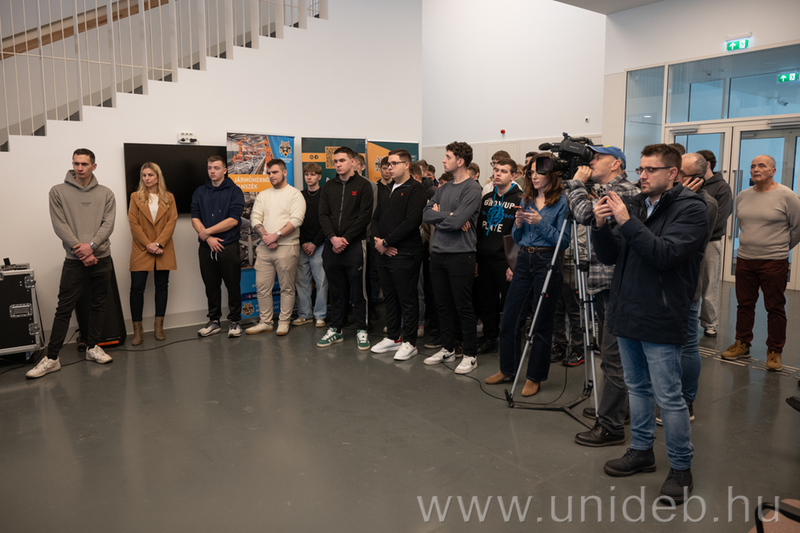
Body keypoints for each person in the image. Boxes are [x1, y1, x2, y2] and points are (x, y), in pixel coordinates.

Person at [592, 144, 707, 504]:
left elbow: (664, 254)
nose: (641, 176)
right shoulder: (641, 205)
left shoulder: (692, 209)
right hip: (628, 309)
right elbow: (610, 255)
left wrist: (626, 221)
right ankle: (642, 450)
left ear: (672, 173)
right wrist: (600, 225)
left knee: (669, 397)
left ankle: (681, 467)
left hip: (660, 312)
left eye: (650, 170)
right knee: (637, 388)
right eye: (640, 169)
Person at [562, 144, 637, 446]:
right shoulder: (606, 189)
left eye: (598, 157)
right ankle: (618, 410)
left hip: (616, 285)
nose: (591, 161)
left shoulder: (623, 191)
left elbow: (585, 215)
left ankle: (611, 427)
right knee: (613, 356)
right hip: (607, 283)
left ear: (616, 163)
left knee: (613, 359)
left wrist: (576, 184)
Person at [485, 153, 570, 396]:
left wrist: (540, 222)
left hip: (547, 261)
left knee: (541, 322)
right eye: (531, 172)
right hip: (523, 260)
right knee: (510, 317)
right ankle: (507, 369)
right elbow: (517, 238)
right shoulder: (526, 199)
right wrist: (519, 224)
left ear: (551, 174)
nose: (534, 176)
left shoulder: (562, 202)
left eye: (539, 172)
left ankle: (534, 377)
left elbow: (563, 241)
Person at [27, 148, 116, 378]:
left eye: (84, 164)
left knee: (98, 304)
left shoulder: (106, 193)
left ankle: (93, 347)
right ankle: (52, 358)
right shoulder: (58, 191)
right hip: (75, 260)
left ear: (93, 166)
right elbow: (60, 225)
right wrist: (83, 251)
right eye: (76, 163)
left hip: (102, 257)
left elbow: (108, 224)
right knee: (64, 308)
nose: (79, 168)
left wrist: (92, 246)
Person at [721, 155, 800, 370]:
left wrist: (781, 248)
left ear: (773, 171)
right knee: (744, 304)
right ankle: (742, 343)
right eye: (753, 166)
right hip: (745, 259)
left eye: (761, 166)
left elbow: (797, 228)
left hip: (774, 261)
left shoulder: (787, 196)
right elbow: (743, 225)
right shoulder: (743, 196)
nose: (755, 169)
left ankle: (775, 351)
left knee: (775, 307)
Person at [422, 141, 483, 374]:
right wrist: (450, 215)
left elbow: (459, 222)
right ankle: (447, 348)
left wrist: (446, 217)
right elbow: (426, 215)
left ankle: (470, 354)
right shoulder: (443, 188)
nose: (443, 160)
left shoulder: (472, 188)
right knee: (442, 304)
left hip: (461, 255)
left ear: (460, 161)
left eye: (447, 157)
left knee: (463, 306)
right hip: (438, 253)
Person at [370, 149, 428, 361]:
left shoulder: (416, 189)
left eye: (394, 163)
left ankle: (409, 342)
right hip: (384, 253)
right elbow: (375, 218)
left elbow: (411, 222)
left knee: (407, 299)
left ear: (406, 165)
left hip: (405, 253)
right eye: (388, 164)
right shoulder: (387, 189)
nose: (390, 167)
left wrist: (387, 242)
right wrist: (379, 242)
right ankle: (393, 337)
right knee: (390, 297)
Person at [316, 147, 374, 350]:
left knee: (359, 290)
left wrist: (346, 239)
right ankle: (336, 329)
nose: (338, 164)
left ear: (352, 162)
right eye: (335, 161)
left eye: (342, 160)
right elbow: (323, 215)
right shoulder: (328, 186)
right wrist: (333, 238)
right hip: (331, 246)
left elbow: (364, 216)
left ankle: (362, 329)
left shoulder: (364, 186)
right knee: (336, 290)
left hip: (355, 245)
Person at [245, 159, 305, 336]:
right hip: (264, 247)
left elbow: (296, 220)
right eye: (269, 173)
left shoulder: (295, 195)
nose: (271, 176)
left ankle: (284, 322)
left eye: (275, 172)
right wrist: (265, 236)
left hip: (287, 247)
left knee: (287, 288)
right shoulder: (263, 195)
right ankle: (266, 322)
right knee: (262, 287)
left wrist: (276, 235)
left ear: (284, 172)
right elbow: (255, 216)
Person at [191, 155, 245, 338]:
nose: (212, 171)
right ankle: (214, 321)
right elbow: (195, 218)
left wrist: (207, 232)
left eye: (216, 168)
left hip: (228, 246)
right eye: (209, 168)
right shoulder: (200, 191)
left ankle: (235, 321)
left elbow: (233, 220)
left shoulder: (235, 191)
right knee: (211, 286)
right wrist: (208, 239)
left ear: (225, 170)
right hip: (206, 247)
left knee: (232, 285)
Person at [475, 157, 522, 355]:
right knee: (487, 302)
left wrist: (514, 264)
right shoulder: (486, 198)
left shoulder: (520, 199)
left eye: (503, 171)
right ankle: (490, 337)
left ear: (513, 175)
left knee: (510, 303)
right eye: (496, 170)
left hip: (506, 260)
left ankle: (511, 339)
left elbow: (521, 234)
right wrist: (476, 258)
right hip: (484, 258)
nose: (497, 174)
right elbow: (479, 230)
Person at [127, 162, 178, 345]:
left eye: (150, 175)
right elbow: (133, 223)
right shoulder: (135, 197)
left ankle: (158, 328)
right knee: (136, 288)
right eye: (144, 175)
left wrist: (158, 244)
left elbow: (172, 221)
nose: (146, 178)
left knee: (162, 287)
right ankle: (138, 331)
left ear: (158, 177)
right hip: (142, 248)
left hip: (163, 248)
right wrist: (149, 245)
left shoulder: (169, 197)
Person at [695, 150, 733, 338]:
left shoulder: (722, 188)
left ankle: (710, 323)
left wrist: (695, 232)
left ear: (707, 164)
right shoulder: (693, 185)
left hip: (710, 241)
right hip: (692, 242)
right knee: (692, 283)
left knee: (710, 284)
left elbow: (719, 218)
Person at [292, 163, 328, 329]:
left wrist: (314, 243)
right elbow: (296, 221)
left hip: (319, 244)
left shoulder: (325, 195)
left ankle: (320, 315)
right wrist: (304, 242)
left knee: (321, 282)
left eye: (313, 174)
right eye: (307, 174)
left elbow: (326, 222)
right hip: (302, 244)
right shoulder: (299, 196)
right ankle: (304, 315)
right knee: (302, 282)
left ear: (319, 176)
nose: (309, 177)